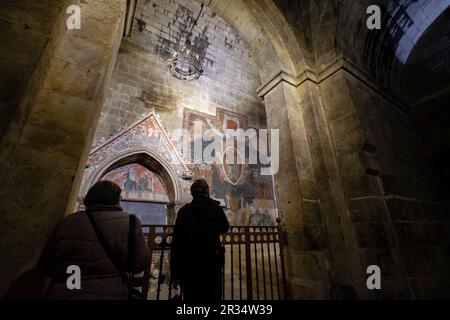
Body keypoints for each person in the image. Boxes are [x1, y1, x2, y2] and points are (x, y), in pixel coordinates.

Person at [36, 180, 151, 299]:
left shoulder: (66, 223)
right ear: (116, 199)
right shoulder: (130, 222)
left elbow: (46, 265)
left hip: (68, 290)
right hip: (110, 291)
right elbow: (140, 263)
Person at [170, 179, 230, 302]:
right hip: (212, 263)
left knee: (192, 298)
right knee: (212, 297)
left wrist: (175, 273)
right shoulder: (215, 208)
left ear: (192, 193)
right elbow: (225, 227)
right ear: (207, 191)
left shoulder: (183, 211)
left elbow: (176, 244)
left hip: (190, 265)